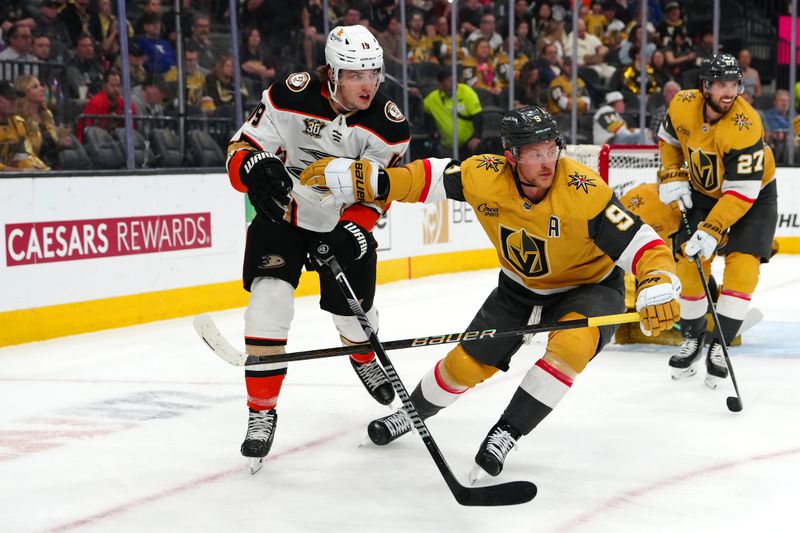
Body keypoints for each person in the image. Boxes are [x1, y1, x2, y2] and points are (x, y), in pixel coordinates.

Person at [298, 106, 680, 480]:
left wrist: (658, 280)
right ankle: (412, 413)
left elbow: (642, 242)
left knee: (571, 346)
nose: (548, 163)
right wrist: (374, 179)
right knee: (464, 364)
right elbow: (427, 178)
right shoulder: (484, 176)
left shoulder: (584, 192)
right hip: (518, 290)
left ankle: (507, 432)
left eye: (552, 150)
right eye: (535, 154)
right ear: (511, 156)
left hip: (589, 287)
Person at [224, 25, 410, 471]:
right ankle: (260, 414)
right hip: (283, 214)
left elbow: (380, 190)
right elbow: (239, 150)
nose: (367, 85)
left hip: (340, 221)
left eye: (374, 74)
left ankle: (363, 354)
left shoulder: (388, 122)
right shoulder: (290, 94)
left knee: (353, 315)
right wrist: (253, 166)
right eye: (355, 75)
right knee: (268, 305)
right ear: (332, 72)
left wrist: (359, 228)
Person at [657, 54, 777, 388]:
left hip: (753, 197)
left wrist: (711, 229)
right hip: (705, 192)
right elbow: (668, 142)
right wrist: (672, 174)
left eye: (734, 84)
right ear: (705, 86)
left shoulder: (746, 124)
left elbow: (741, 192)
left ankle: (720, 345)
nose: (729, 92)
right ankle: (693, 339)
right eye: (722, 84)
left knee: (743, 268)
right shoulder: (682, 104)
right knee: (689, 261)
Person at [423, 68, 483, 157]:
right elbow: (426, 114)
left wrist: (476, 137)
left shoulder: (466, 92)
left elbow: (478, 116)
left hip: (468, 144)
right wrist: (432, 132)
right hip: (446, 146)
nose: (452, 83)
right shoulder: (432, 98)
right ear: (441, 84)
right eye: (448, 80)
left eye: (453, 79)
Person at [14, 74, 60, 169]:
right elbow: (27, 154)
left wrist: (61, 143)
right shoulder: (19, 119)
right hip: (37, 167)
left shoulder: (47, 114)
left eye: (40, 85)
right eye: (35, 87)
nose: (42, 89)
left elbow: (53, 142)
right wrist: (46, 171)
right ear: (24, 93)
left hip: (54, 161)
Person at [0, 80, 47, 171]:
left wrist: (32, 170)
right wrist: (19, 171)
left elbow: (21, 158)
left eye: (16, 98)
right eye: (10, 98)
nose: (14, 102)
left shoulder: (18, 124)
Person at [77, 69, 136, 142]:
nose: (116, 89)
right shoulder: (96, 103)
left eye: (118, 85)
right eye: (112, 86)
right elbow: (88, 132)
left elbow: (131, 131)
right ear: (104, 86)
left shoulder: (126, 105)